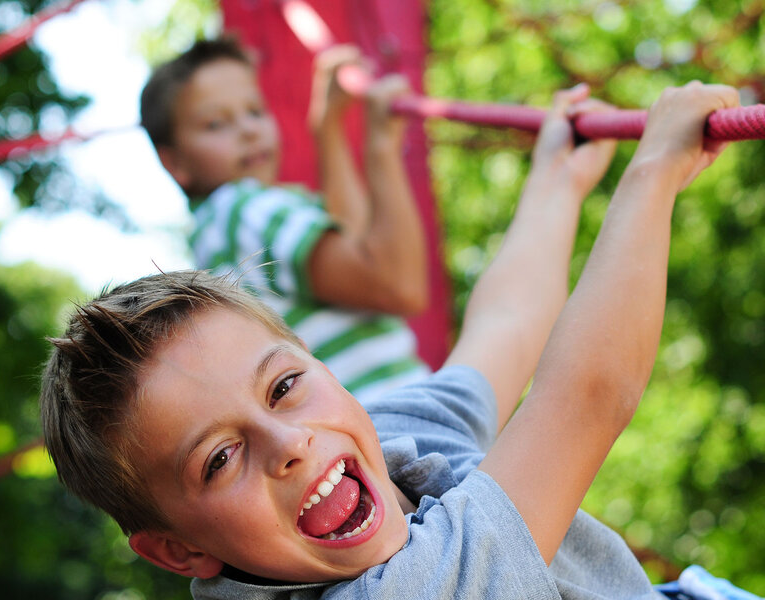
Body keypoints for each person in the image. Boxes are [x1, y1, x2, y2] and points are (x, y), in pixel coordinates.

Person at [40, 82, 754, 599]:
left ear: (318, 365)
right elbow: (585, 400)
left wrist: (556, 183)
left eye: (284, 387)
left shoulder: (387, 443)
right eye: (220, 459)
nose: (288, 442)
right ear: (177, 549)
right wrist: (654, 171)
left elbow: (503, 329)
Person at [139, 37, 431, 403]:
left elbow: (354, 244)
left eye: (255, 111)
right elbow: (398, 284)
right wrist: (382, 147)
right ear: (175, 162)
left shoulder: (219, 233)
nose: (248, 129)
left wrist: (329, 129)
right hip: (396, 407)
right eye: (216, 123)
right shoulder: (242, 208)